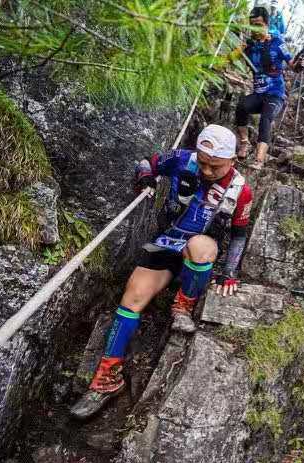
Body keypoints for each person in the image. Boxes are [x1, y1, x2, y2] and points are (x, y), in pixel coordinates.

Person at [70, 124, 253, 419]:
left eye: (215, 166)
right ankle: (107, 378)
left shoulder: (240, 191)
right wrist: (146, 178)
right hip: (167, 243)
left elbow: (239, 236)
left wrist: (229, 272)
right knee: (132, 297)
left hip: (202, 248)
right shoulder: (182, 159)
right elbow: (147, 163)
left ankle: (183, 305)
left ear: (232, 160)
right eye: (203, 162)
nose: (207, 171)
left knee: (199, 247)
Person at [231, 6, 304, 171]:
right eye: (251, 25)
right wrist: (239, 48)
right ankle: (244, 143)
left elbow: (293, 66)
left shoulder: (277, 43)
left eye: (258, 24)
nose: (255, 29)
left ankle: (259, 160)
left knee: (265, 119)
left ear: (266, 24)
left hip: (275, 94)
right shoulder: (250, 46)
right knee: (242, 106)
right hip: (259, 94)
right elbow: (229, 59)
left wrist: (301, 64)